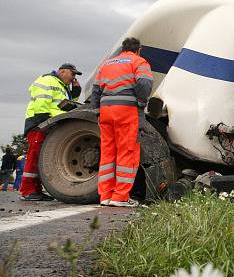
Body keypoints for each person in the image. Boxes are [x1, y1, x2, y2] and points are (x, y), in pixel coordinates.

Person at [90, 37, 153, 207]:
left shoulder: (107, 64)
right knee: (127, 151)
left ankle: (105, 196)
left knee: (108, 152)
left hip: (105, 110)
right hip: (126, 110)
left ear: (122, 49)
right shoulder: (139, 61)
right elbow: (145, 83)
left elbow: (95, 90)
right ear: (138, 49)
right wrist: (140, 101)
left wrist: (97, 110)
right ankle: (120, 197)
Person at [20, 63, 82, 201]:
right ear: (63, 71)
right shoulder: (47, 80)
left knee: (41, 157)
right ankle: (27, 190)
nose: (73, 78)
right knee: (35, 156)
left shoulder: (61, 85)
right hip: (40, 123)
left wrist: (75, 92)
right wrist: (43, 121)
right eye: (73, 74)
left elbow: (63, 105)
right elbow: (41, 101)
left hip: (49, 122)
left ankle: (35, 191)